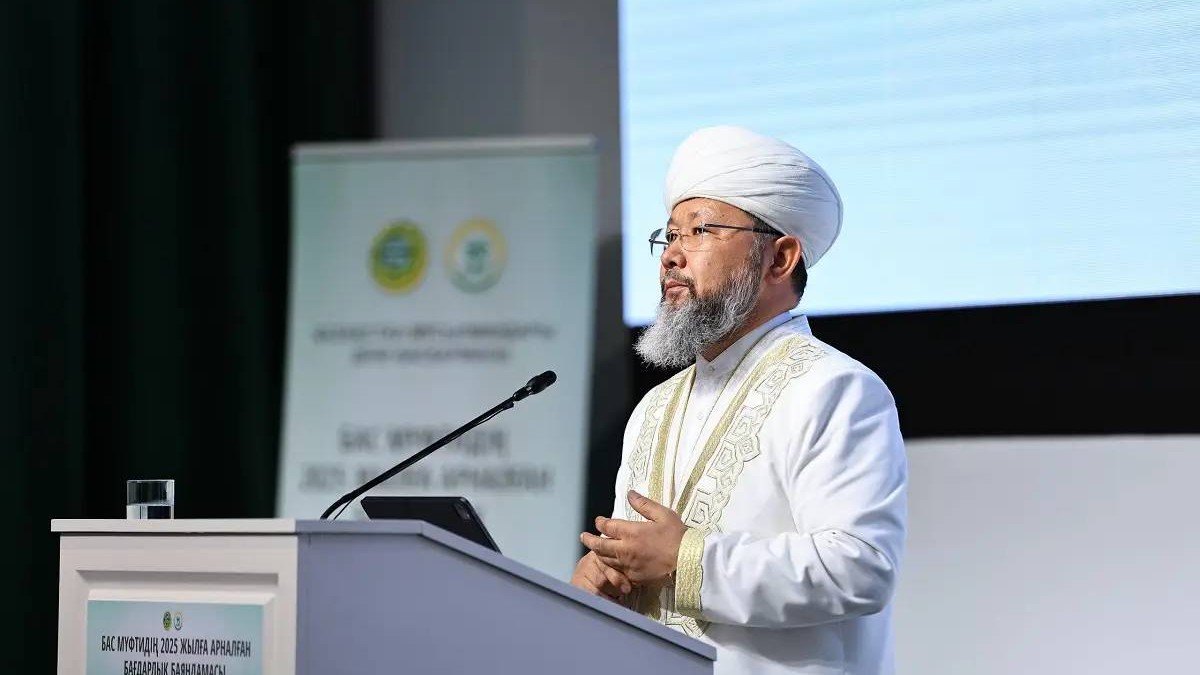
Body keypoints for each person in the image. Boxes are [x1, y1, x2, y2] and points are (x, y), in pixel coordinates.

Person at [571, 126, 907, 675]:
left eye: (700, 231)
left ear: (780, 259)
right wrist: (605, 581)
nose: (671, 256)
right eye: (669, 235)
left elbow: (862, 568)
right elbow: (642, 568)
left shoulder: (835, 388)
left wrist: (686, 559)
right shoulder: (655, 406)